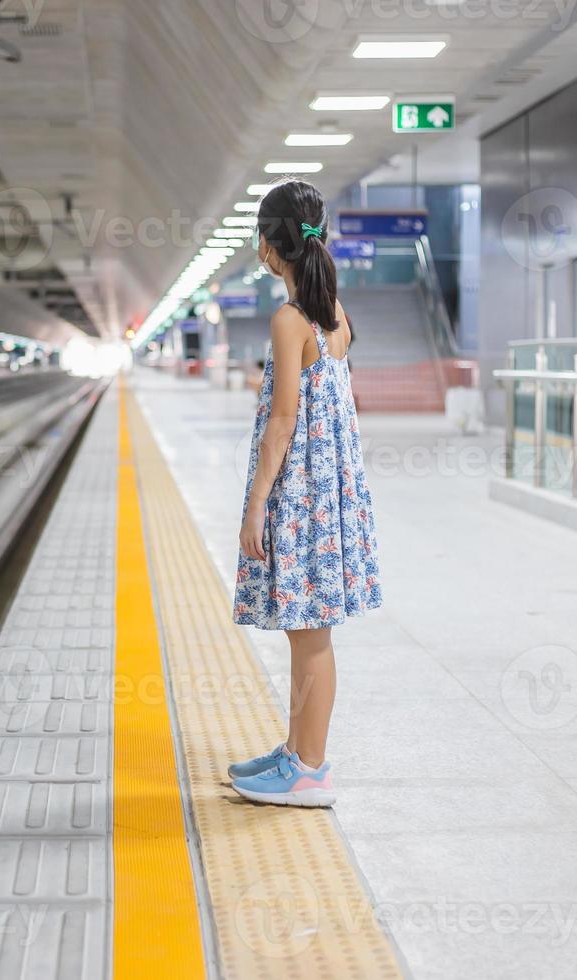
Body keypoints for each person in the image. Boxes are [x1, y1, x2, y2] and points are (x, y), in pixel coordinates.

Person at [228, 178, 382, 808]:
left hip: (303, 494)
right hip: (333, 491)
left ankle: (311, 770)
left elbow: (283, 421)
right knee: (306, 631)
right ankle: (297, 753)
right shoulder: (333, 314)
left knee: (310, 635)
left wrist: (257, 503)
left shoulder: (290, 321)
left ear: (270, 248)